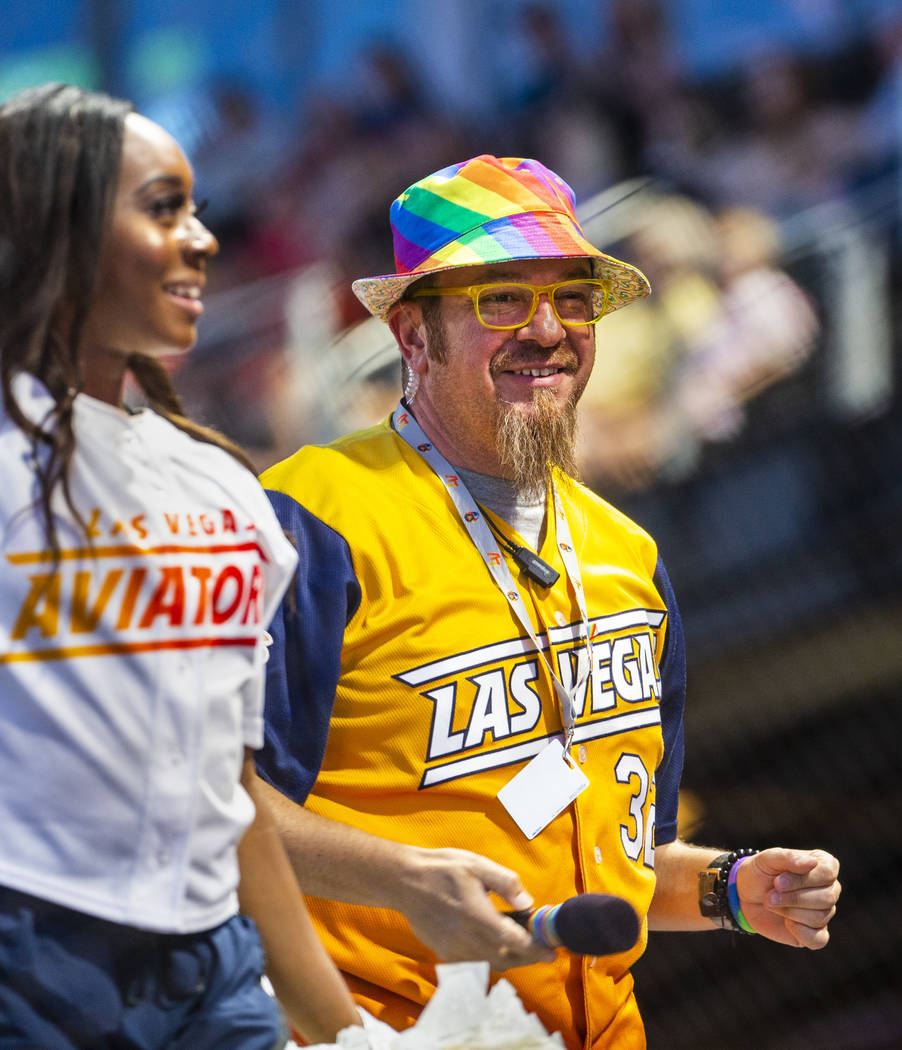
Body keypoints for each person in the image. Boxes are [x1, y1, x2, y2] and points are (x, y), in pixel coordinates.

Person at [256, 155, 842, 1050]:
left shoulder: (626, 555)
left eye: (572, 299)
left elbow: (625, 860)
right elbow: (218, 810)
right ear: (414, 335)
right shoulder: (312, 522)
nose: (547, 329)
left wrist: (730, 889)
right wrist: (404, 883)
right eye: (499, 301)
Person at [0, 83, 362, 1050]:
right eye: (164, 209)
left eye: (197, 210)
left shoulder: (228, 494)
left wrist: (339, 1028)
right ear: (53, 225)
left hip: (217, 976)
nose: (203, 239)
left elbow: (229, 796)